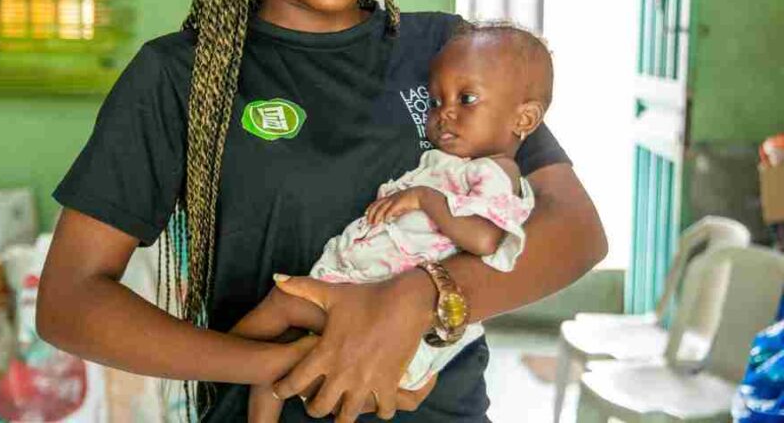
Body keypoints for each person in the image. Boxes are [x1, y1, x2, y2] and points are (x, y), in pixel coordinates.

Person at [37, 0, 607, 423]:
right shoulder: (184, 76)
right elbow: (70, 298)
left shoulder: (450, 54)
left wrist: (422, 298)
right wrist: (287, 362)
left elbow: (576, 228)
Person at [234, 23, 554, 422]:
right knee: (280, 348)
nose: (444, 113)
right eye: (436, 101)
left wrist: (424, 198)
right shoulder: (448, 162)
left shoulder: (495, 174)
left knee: (282, 312)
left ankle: (216, 360)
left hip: (390, 314)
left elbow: (486, 238)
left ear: (524, 119)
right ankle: (232, 373)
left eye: (466, 98)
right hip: (363, 290)